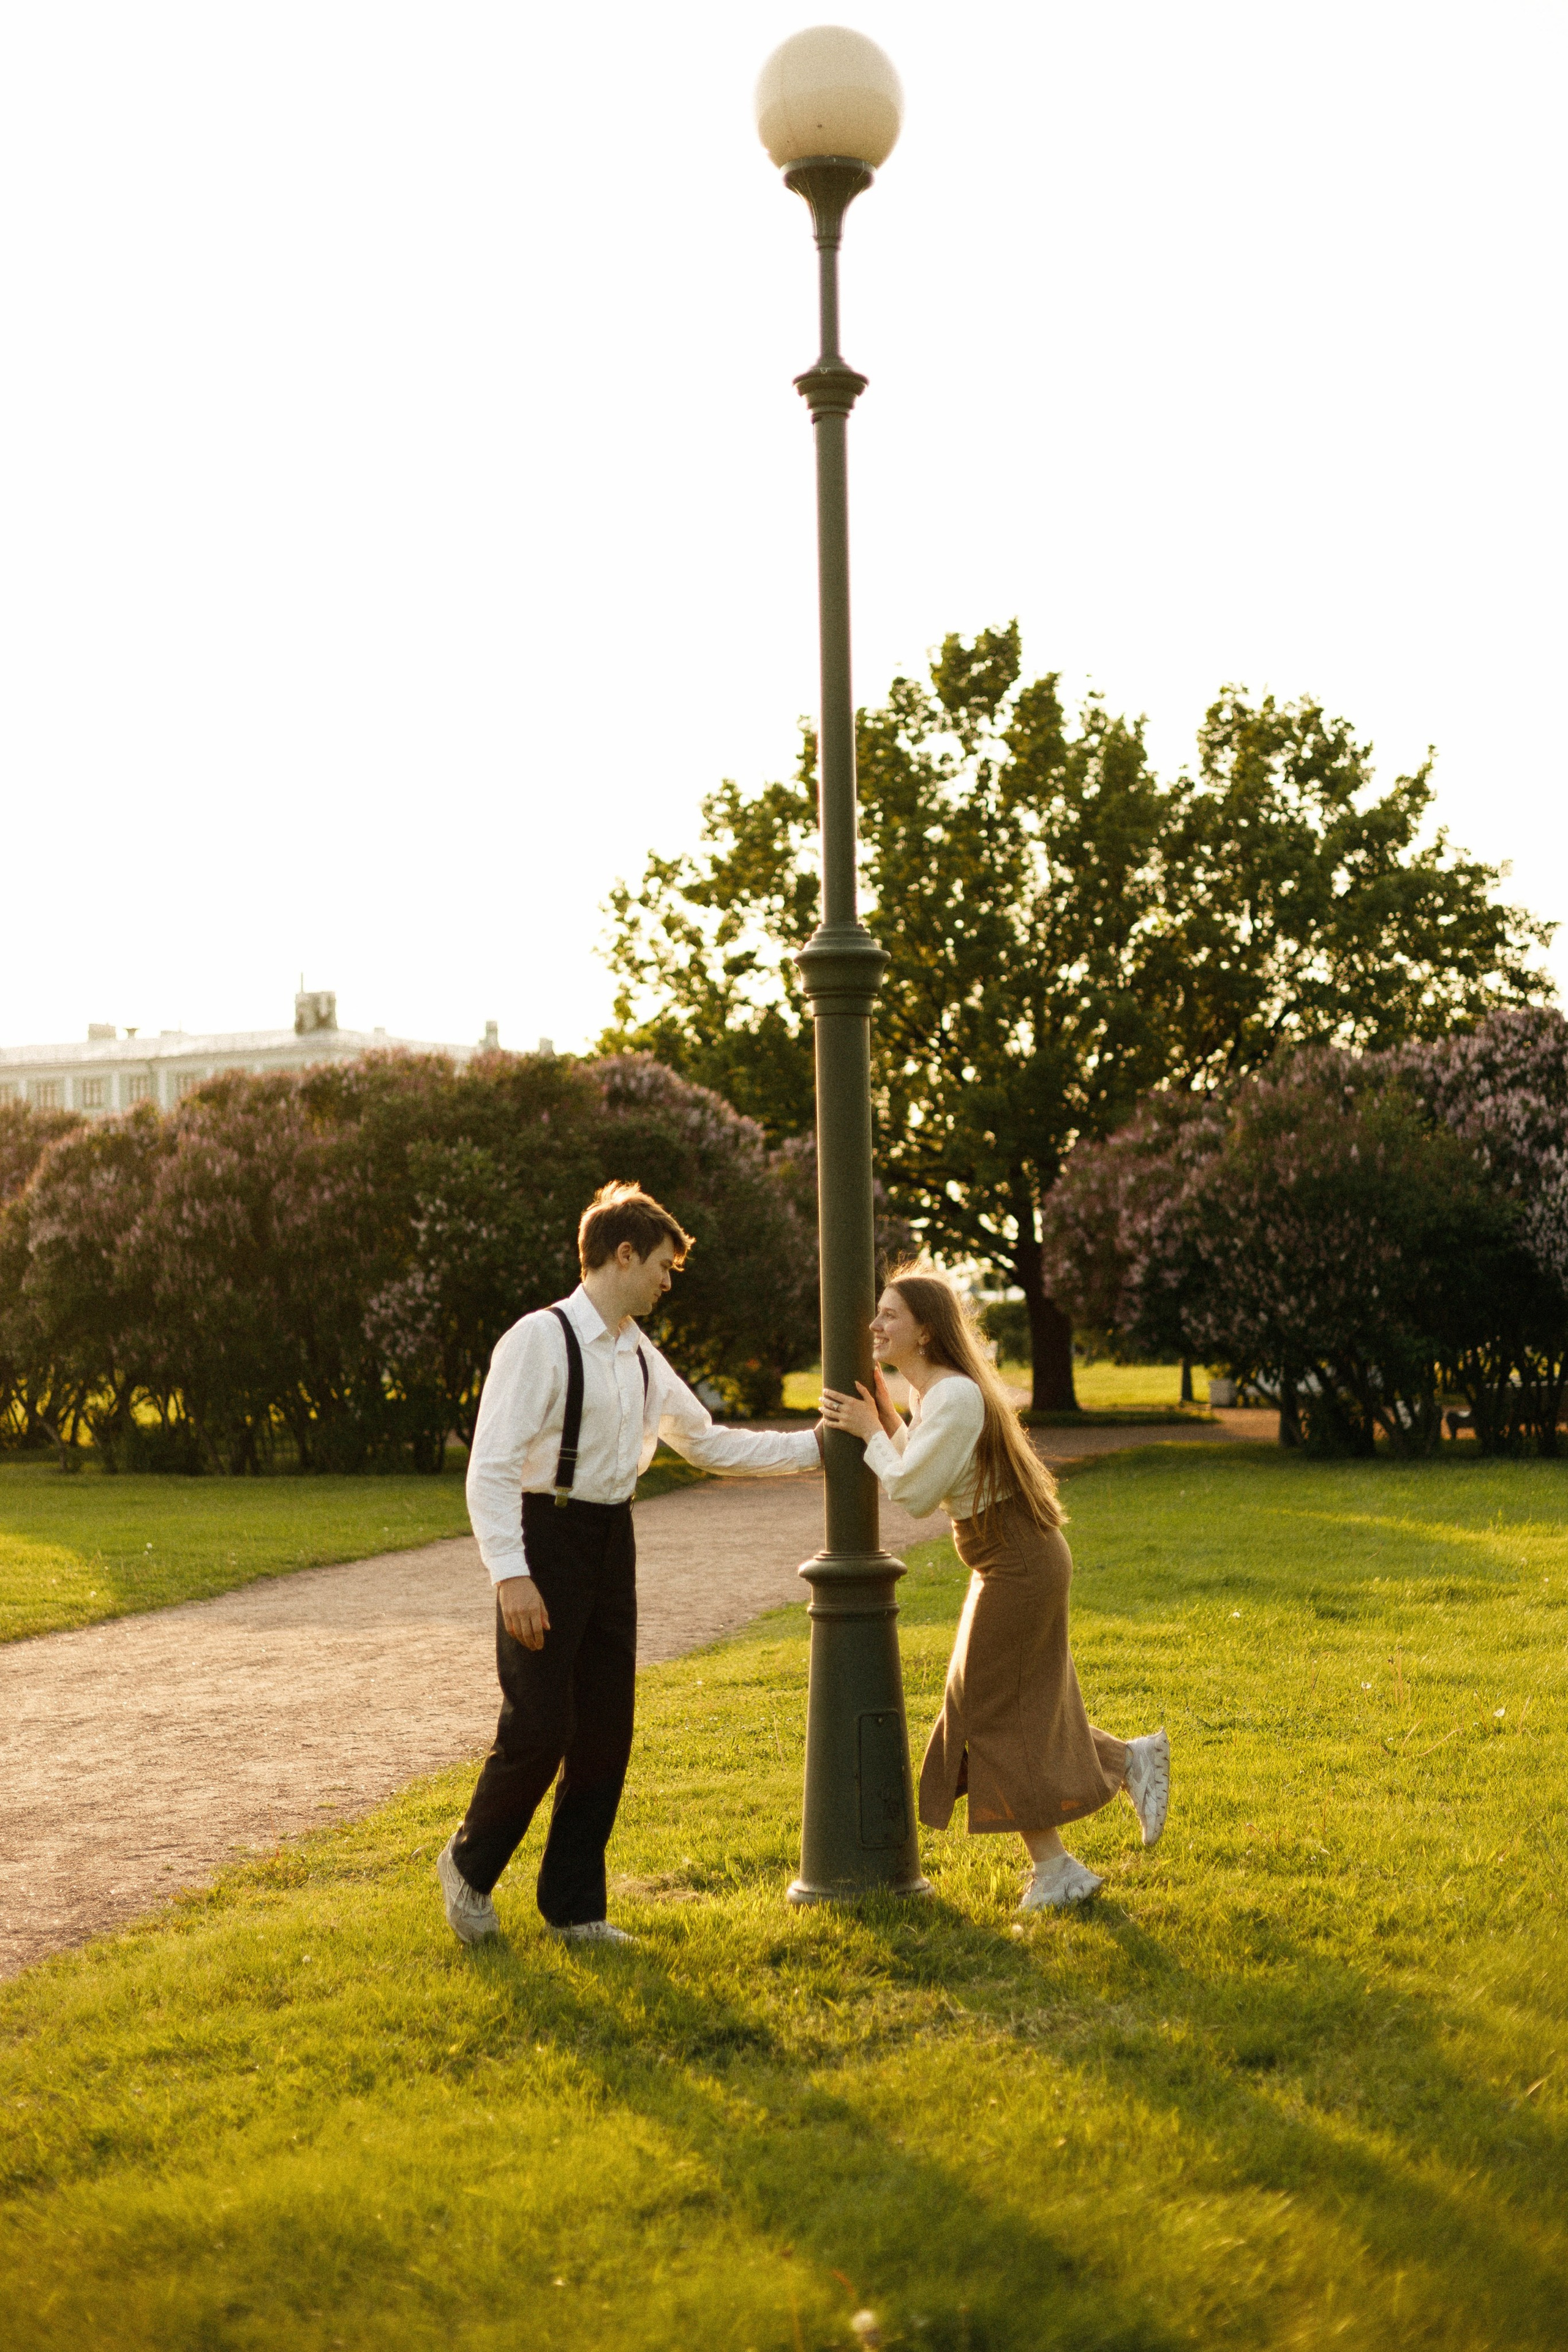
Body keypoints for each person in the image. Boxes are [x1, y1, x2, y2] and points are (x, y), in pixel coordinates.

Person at [438, 1181, 821, 1947]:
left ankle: (575, 1910)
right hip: (542, 1540)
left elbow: (706, 1442)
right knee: (541, 1726)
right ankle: (469, 1868)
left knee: (606, 1734)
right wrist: (510, 1574)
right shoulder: (537, 1341)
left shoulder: (639, 1353)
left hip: (613, 1542)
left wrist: (822, 1446)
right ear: (623, 1254)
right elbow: (490, 1466)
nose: (668, 1281)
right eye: (663, 1266)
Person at [821, 1267, 1170, 1910]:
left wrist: (871, 1433)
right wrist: (891, 1423)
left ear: (925, 1330)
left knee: (988, 1710)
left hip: (1016, 1562)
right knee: (1001, 1705)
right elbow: (924, 1465)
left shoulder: (954, 1398)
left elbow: (915, 1494)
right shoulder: (939, 1397)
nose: (874, 1325)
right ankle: (1124, 1767)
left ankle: (1060, 1868)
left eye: (889, 1315)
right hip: (1005, 1560)